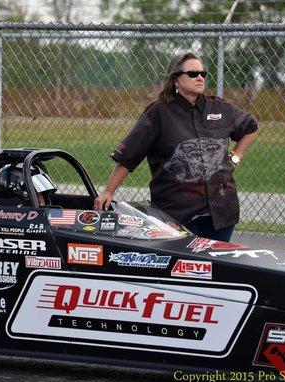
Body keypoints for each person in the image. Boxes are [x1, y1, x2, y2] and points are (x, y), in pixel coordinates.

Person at [94, 52, 258, 241]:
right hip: (177, 215)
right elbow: (128, 156)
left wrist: (235, 158)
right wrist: (108, 191)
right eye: (192, 73)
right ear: (176, 80)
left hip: (221, 212)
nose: (199, 77)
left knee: (216, 267)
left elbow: (251, 127)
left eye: (202, 73)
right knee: (183, 268)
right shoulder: (159, 113)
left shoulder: (219, 108)